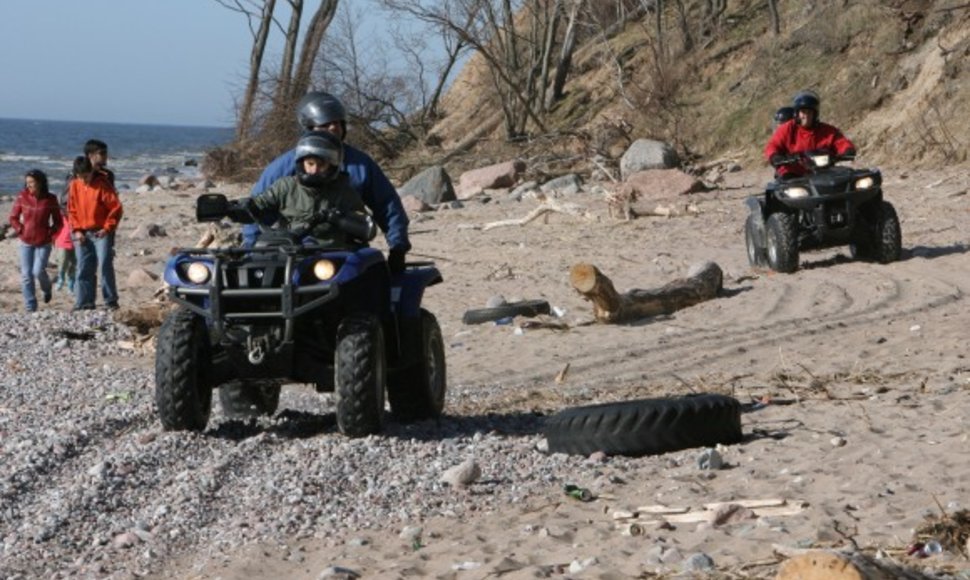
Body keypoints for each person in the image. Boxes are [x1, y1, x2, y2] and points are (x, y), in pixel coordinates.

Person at [243, 91, 411, 273]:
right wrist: (250, 250)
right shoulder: (283, 168)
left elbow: (387, 205)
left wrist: (398, 247)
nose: (333, 128)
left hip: (343, 252)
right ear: (308, 128)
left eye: (338, 122)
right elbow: (257, 212)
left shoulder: (361, 165)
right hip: (296, 251)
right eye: (325, 124)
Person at [247, 131, 367, 247]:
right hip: (291, 251)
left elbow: (367, 228)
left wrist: (339, 219)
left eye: (321, 165)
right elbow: (258, 204)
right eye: (310, 163)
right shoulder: (285, 187)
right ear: (301, 163)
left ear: (332, 166)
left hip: (329, 256)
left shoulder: (344, 193)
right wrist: (235, 208)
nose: (314, 170)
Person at [67, 155, 124, 311]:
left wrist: (107, 228)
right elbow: (71, 210)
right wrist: (77, 230)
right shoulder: (74, 185)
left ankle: (111, 301)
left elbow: (116, 208)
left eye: (86, 176)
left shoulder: (102, 184)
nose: (84, 180)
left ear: (91, 171)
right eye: (80, 177)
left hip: (101, 232)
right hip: (82, 232)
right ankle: (84, 302)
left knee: (105, 264)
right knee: (83, 267)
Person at [764, 90, 856, 178]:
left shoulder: (827, 130)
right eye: (803, 112)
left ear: (815, 114)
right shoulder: (787, 128)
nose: (806, 116)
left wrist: (847, 150)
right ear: (797, 114)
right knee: (788, 189)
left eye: (809, 112)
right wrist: (775, 156)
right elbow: (773, 145)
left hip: (823, 171)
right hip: (793, 172)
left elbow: (840, 142)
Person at [8, 170, 62, 313]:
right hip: (26, 241)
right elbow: (13, 217)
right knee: (26, 275)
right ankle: (30, 307)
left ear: (40, 182)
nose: (29, 185)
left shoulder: (51, 199)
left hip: (43, 242)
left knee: (38, 271)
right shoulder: (22, 197)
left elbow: (58, 222)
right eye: (27, 182)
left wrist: (50, 233)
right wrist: (20, 229)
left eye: (32, 182)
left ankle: (47, 288)